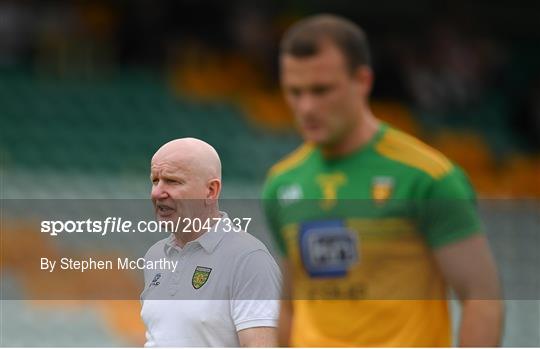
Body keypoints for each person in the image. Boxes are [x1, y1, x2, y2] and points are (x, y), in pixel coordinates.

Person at [262, 14, 503, 347]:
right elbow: (289, 306)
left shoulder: (427, 178)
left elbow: (481, 299)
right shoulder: (281, 183)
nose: (306, 107)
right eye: (294, 92)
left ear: (362, 81)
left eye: (321, 90)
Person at [141, 137, 281, 347]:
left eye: (172, 181)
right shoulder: (155, 255)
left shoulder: (249, 260)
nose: (157, 192)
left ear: (211, 191)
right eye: (155, 181)